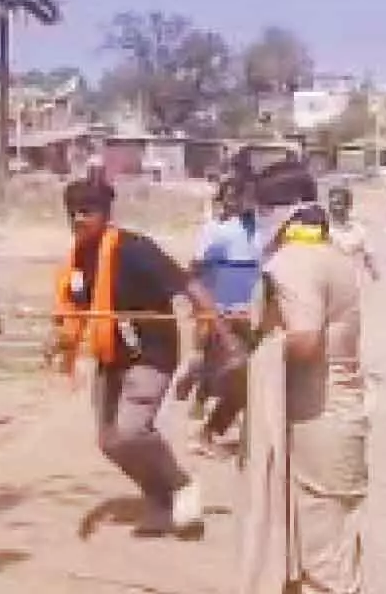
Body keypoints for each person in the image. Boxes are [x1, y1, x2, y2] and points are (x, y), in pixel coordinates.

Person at [52, 179, 237, 537]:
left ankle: (181, 484)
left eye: (87, 212)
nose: (79, 219)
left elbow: (190, 285)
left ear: (106, 214)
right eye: (72, 213)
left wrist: (222, 335)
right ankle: (157, 497)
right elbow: (75, 306)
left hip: (151, 352)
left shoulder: (135, 249)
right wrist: (60, 340)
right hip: (111, 355)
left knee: (133, 429)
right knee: (110, 442)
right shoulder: (78, 257)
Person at [239, 160, 368, 594]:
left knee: (323, 560)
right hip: (335, 415)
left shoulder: (295, 260)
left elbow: (306, 339)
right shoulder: (329, 253)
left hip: (320, 419)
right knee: (327, 547)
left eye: (262, 209)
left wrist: (255, 352)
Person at [177, 177, 261, 457]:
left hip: (257, 315)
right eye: (235, 196)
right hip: (225, 316)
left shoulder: (267, 232)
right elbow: (194, 272)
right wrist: (205, 308)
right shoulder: (219, 232)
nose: (241, 202)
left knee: (252, 376)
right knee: (239, 372)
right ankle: (208, 428)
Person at [327, 186, 379, 283]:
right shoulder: (323, 230)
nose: (334, 207)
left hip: (354, 283)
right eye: (332, 203)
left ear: (348, 206)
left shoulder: (358, 230)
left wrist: (374, 273)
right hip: (331, 283)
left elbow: (368, 256)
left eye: (338, 203)